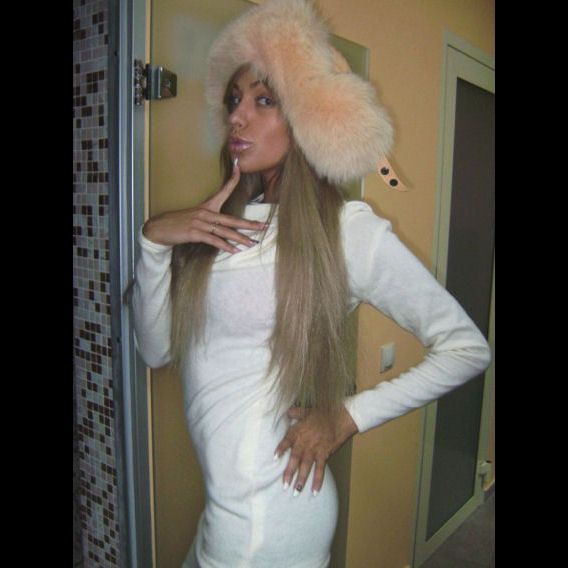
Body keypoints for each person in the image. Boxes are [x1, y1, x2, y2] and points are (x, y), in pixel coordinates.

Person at [132, 0, 491, 566]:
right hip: (227, 512)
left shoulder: (345, 231)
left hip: (272, 523)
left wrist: (348, 416)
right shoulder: (216, 225)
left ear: (307, 118)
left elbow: (467, 348)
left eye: (263, 100)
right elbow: (155, 350)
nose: (236, 118)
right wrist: (155, 242)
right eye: (233, 100)